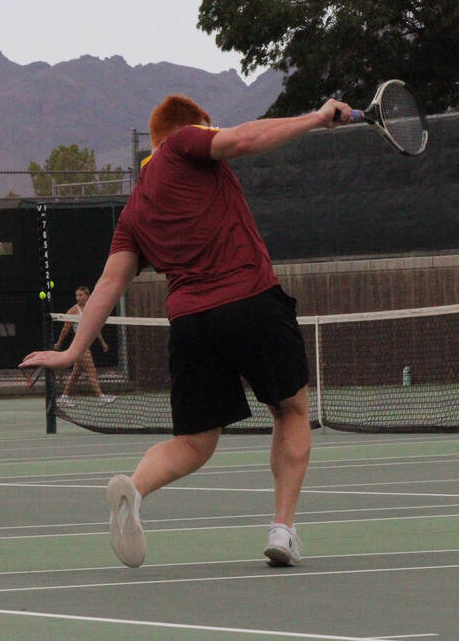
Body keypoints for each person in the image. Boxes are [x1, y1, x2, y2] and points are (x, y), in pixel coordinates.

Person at [21, 93, 351, 568]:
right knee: (292, 410)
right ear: (192, 129)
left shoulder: (134, 210)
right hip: (251, 300)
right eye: (208, 127)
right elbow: (246, 138)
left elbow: (110, 282)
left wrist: (71, 351)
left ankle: (135, 489)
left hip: (191, 324)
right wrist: (316, 118)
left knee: (196, 442)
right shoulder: (185, 145)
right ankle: (283, 528)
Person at [53, 285, 114, 406]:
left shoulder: (92, 309)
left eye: (81, 295)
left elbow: (95, 328)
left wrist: (102, 342)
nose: (78, 298)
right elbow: (66, 329)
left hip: (87, 344)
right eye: (77, 295)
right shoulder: (73, 311)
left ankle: (64, 397)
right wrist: (59, 343)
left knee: (76, 373)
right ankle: (101, 397)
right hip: (80, 345)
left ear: (88, 296)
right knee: (92, 371)